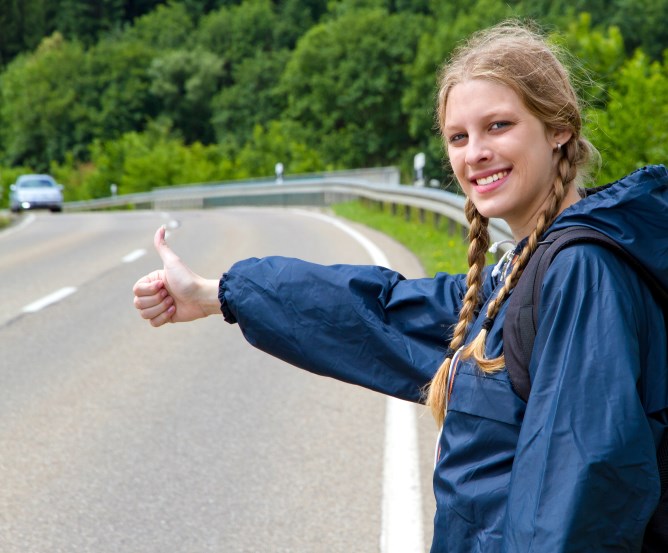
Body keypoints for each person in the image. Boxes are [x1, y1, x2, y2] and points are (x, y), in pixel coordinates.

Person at [133, 21, 668, 553]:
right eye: (459, 137)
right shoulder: (521, 273)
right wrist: (216, 293)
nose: (474, 152)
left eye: (498, 125)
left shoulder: (581, 273)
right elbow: (381, 312)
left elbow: (581, 488)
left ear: (559, 129)